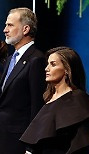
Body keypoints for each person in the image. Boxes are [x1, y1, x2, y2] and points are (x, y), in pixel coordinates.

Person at [20, 47, 89, 154]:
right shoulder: (49, 98)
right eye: (47, 64)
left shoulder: (77, 99)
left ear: (67, 69)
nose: (46, 68)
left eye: (53, 64)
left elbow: (79, 143)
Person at [0, 7, 46, 154]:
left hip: (18, 142)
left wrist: (31, 147)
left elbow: (37, 107)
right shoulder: (10, 60)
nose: (5, 30)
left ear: (25, 29)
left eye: (10, 25)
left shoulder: (36, 60)